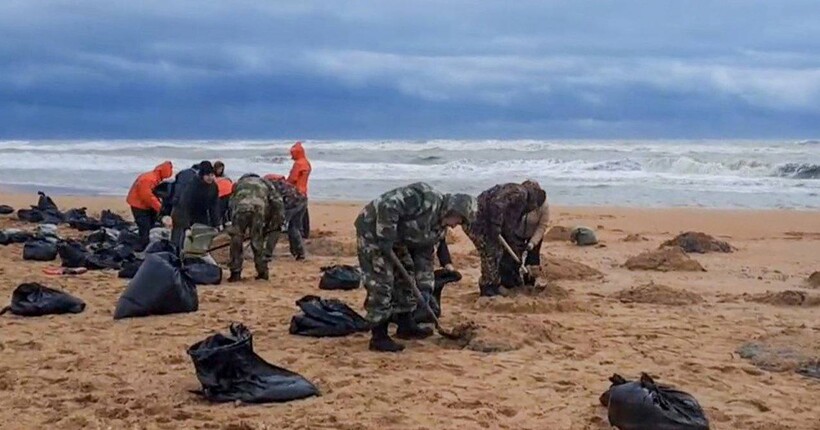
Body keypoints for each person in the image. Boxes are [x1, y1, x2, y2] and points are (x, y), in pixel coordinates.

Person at [355, 182, 476, 352]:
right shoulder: (425, 196)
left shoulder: (438, 230)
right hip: (373, 232)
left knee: (406, 278)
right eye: (460, 219)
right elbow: (388, 205)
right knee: (381, 282)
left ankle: (405, 326)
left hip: (396, 240)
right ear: (453, 210)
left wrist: (425, 290)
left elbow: (425, 259)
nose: (456, 225)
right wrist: (386, 236)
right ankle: (379, 336)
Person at [468, 180, 547, 297]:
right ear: (533, 200)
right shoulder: (520, 193)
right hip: (478, 219)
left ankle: (497, 284)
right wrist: (496, 225)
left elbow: (509, 229)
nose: (531, 210)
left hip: (486, 221)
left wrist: (515, 251)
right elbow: (496, 203)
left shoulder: (520, 203)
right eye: (533, 207)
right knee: (489, 252)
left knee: (498, 252)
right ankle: (488, 288)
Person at [227, 174, 285, 282]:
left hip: (240, 210)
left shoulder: (239, 183)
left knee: (236, 241)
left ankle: (235, 273)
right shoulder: (265, 183)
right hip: (258, 210)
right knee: (257, 241)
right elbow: (277, 201)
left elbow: (231, 202)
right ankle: (262, 272)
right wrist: (279, 220)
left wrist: (231, 221)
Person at [171, 161, 221, 250]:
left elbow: (214, 206)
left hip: (200, 212)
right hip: (182, 211)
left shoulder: (214, 187)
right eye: (207, 175)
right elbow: (184, 206)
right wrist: (187, 227)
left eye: (212, 175)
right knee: (183, 237)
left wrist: (216, 224)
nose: (210, 178)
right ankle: (178, 253)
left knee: (202, 235)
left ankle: (197, 253)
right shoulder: (192, 186)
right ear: (202, 175)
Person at [126, 161, 173, 250]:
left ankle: (145, 244)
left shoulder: (155, 177)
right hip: (138, 205)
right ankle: (141, 247)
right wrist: (160, 208)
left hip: (144, 204)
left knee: (150, 224)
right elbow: (148, 197)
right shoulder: (148, 179)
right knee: (144, 227)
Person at [268, 176, 308, 260]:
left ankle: (267, 253)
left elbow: (274, 203)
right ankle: (300, 253)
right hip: (302, 199)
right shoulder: (277, 182)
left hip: (291, 203)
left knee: (276, 227)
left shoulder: (267, 186)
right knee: (294, 227)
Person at [168, 162, 201, 247]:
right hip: (184, 206)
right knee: (183, 230)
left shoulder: (182, 173)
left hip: (176, 205)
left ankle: (173, 248)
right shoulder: (195, 177)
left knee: (176, 229)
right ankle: (179, 250)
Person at [287, 141, 311, 238]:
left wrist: (285, 182)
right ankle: (306, 232)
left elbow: (293, 179)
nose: (291, 156)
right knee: (304, 213)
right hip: (304, 191)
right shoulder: (306, 163)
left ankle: (298, 234)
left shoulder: (298, 164)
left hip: (296, 192)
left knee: (295, 216)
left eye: (292, 154)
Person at [213, 161, 233, 227]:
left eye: (221, 169)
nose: (220, 170)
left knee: (228, 210)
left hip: (228, 193)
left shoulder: (226, 177)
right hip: (219, 195)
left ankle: (227, 222)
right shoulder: (211, 176)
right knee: (219, 211)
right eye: (219, 169)